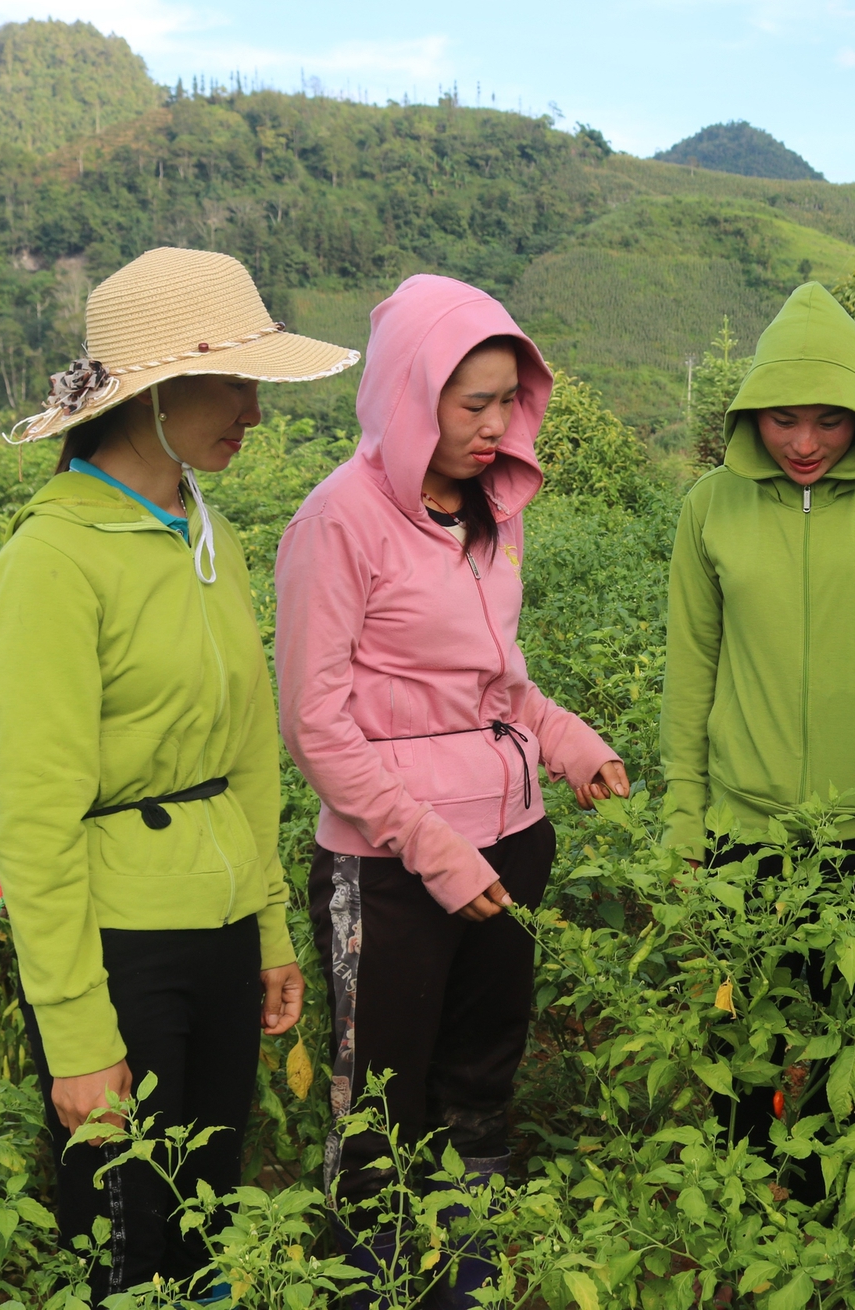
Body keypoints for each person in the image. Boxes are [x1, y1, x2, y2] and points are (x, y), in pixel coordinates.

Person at [0, 246, 358, 1299]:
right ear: (151, 390)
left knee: (209, 1214)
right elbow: (38, 818)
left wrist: (270, 930)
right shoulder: (52, 560)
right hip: (118, 945)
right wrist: (77, 1040)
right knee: (124, 1237)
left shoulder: (205, 530)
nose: (252, 407)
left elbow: (246, 750)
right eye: (233, 380)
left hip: (219, 926)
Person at [275, 274, 629, 1307]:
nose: (492, 423)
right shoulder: (338, 520)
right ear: (405, 391)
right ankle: (370, 1287)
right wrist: (430, 845)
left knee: (479, 1086)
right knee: (380, 1105)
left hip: (510, 841)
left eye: (505, 400)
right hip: (391, 865)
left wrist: (566, 741)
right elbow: (315, 720)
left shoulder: (489, 512)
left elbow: (498, 681)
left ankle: (461, 1283)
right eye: (468, 401)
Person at [661, 281, 855, 1179]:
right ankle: (749, 1226)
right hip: (742, 832)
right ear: (751, 412)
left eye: (830, 422)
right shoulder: (709, 509)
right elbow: (690, 673)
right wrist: (685, 819)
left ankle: (837, 1230)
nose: (804, 444)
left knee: (851, 1051)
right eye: (782, 420)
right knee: (739, 1055)